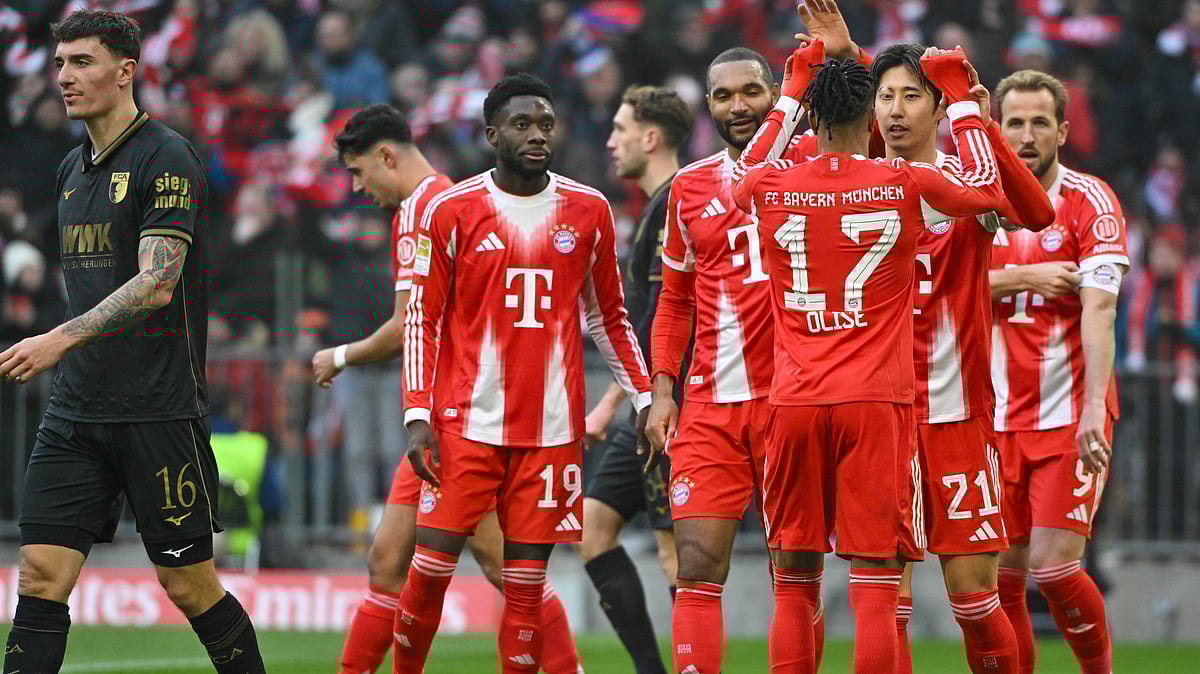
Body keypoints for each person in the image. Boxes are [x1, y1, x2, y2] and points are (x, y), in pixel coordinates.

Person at [0, 10, 265, 674]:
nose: (65, 77)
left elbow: (157, 284)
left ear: (126, 71)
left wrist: (58, 339)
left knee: (188, 585)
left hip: (157, 409)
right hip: (75, 412)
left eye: (82, 62)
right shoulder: (70, 169)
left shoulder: (166, 156)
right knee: (39, 575)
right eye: (59, 64)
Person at [732, 44, 1004, 672]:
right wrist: (962, 103)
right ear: (872, 119)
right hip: (876, 402)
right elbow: (987, 189)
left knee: (792, 582)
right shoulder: (903, 183)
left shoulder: (771, 186)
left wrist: (788, 96)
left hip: (794, 401)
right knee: (878, 584)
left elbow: (744, 171)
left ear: (813, 119)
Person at [396, 73, 652, 673]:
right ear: (492, 135)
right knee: (428, 572)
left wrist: (645, 398)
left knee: (526, 589)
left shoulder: (589, 209)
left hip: (550, 433)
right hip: (464, 426)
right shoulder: (452, 209)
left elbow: (609, 317)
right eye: (521, 125)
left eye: (546, 124)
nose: (537, 135)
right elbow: (422, 320)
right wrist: (416, 413)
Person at [319, 104, 583, 674]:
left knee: (500, 565)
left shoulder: (431, 208)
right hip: (438, 421)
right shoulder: (435, 203)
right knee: (387, 560)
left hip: (464, 423)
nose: (359, 188)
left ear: (386, 156)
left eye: (359, 172)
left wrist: (340, 356)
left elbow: (407, 324)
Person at [643, 46, 822, 674]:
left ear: (777, 95)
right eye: (723, 95)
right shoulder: (688, 187)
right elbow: (675, 300)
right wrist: (662, 391)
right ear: (709, 107)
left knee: (794, 568)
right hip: (711, 404)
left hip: (793, 400)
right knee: (695, 564)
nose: (738, 106)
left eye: (751, 91)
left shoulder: (817, 162)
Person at [989, 69, 1127, 674]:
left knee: (1053, 568)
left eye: (1039, 123)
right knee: (1001, 579)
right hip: (990, 419)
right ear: (996, 130)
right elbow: (936, 291)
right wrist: (1022, 277)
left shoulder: (1089, 201)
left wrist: (1095, 407)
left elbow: (1100, 308)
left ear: (1063, 131)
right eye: (1015, 123)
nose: (1026, 136)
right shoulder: (976, 201)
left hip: (1068, 414)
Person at [580, 85, 692, 674]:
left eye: (620, 129)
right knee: (594, 528)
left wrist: (611, 403)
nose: (610, 141)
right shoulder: (655, 206)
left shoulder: (676, 203)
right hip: (642, 401)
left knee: (676, 553)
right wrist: (613, 401)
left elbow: (657, 323)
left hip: (670, 404)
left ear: (650, 138)